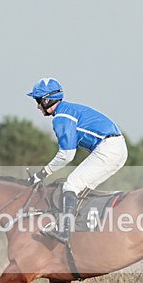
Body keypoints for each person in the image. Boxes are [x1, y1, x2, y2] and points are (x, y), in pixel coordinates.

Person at [26, 77, 128, 244]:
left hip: (109, 148)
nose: (37, 106)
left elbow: (67, 154)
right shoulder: (68, 110)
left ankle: (65, 232)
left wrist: (41, 174)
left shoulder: (61, 117)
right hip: (116, 148)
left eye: (38, 101)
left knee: (71, 185)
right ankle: (85, 231)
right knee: (81, 189)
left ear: (47, 100)